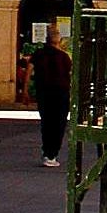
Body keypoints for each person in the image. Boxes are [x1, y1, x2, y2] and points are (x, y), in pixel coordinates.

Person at [31, 25, 73, 168]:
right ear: (58, 39)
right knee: (58, 124)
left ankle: (47, 152)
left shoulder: (39, 54)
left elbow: (29, 70)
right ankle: (51, 154)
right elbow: (71, 74)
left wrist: (25, 91)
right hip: (60, 94)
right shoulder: (64, 56)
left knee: (47, 123)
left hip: (44, 93)